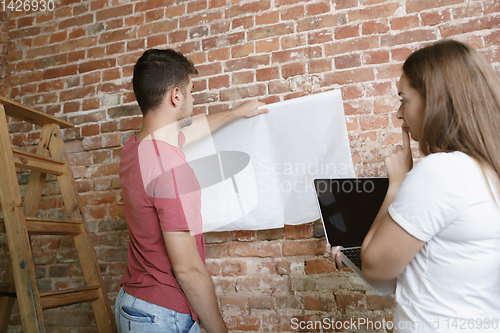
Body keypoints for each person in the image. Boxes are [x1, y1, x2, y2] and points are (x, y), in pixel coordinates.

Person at [326, 39, 500, 332]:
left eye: (404, 100)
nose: (398, 114)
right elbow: (437, 269)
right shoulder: (487, 168)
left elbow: (376, 268)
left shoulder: (442, 171)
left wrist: (396, 183)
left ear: (435, 100)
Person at [115, 48, 268, 333]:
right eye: (191, 90)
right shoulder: (171, 169)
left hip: (132, 302)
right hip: (162, 316)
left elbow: (190, 129)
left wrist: (236, 113)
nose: (193, 99)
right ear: (176, 96)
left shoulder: (134, 147)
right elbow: (188, 270)